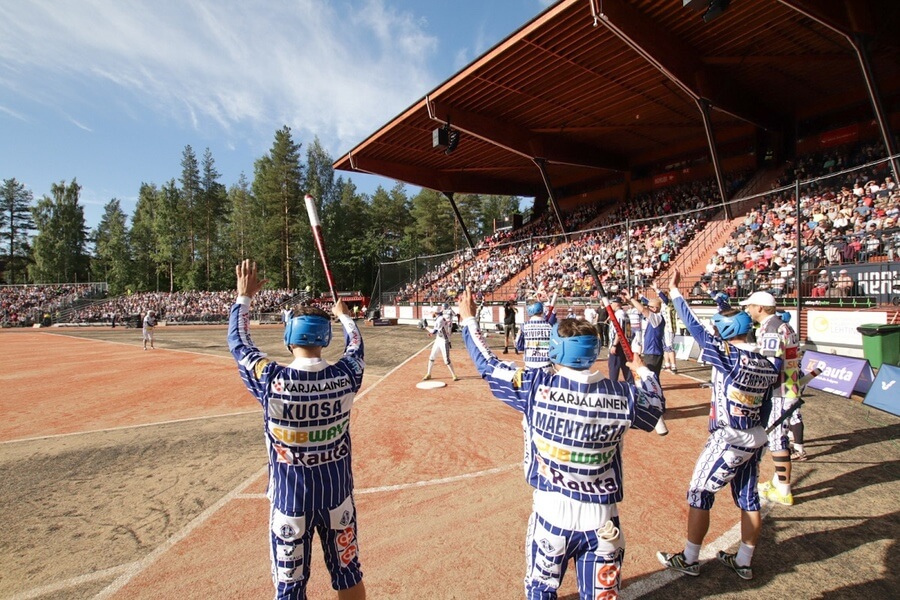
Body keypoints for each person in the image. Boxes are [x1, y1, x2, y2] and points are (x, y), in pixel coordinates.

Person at [457, 286, 665, 599]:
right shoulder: (623, 397)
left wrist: (469, 321)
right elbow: (654, 409)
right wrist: (642, 371)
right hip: (603, 522)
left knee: (541, 591)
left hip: (551, 518)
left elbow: (488, 365)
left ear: (555, 350)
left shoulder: (534, 386)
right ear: (593, 351)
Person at [228, 260, 367, 600]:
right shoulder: (346, 375)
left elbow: (239, 343)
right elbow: (356, 347)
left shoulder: (271, 378)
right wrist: (345, 316)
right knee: (348, 575)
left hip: (290, 502)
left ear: (289, 335)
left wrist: (243, 298)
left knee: (290, 589)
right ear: (325, 337)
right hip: (337, 497)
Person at [657, 269, 778, 581]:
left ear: (727, 332)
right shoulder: (766, 364)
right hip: (755, 437)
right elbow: (766, 406)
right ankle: (744, 560)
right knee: (749, 499)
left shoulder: (730, 357)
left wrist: (675, 293)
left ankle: (689, 557)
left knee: (699, 493)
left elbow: (696, 329)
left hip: (727, 439)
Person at [740, 291, 805, 504]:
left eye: (750, 306)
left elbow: (769, 367)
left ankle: (784, 490)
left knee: (777, 439)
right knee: (779, 437)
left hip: (780, 392)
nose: (747, 310)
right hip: (789, 387)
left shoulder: (771, 329)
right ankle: (778, 482)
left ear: (759, 308)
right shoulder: (782, 325)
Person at [514, 299, 557, 369]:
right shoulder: (550, 326)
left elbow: (519, 346)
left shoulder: (523, 326)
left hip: (530, 365)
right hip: (547, 365)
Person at [423, 307, 460, 381]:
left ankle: (454, 375)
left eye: (434, 312)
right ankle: (429, 373)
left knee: (446, 360)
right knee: (432, 357)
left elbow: (434, 331)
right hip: (438, 339)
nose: (432, 313)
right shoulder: (439, 318)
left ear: (436, 313)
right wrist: (431, 332)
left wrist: (425, 327)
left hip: (444, 341)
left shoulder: (439, 320)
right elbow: (437, 331)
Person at [607, 298, 633, 383]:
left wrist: (614, 345)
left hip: (619, 344)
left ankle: (613, 385)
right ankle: (631, 384)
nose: (610, 305)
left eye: (612, 303)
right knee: (625, 365)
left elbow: (619, 331)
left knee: (614, 366)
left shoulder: (619, 314)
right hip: (625, 343)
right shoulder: (624, 314)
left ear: (617, 304)